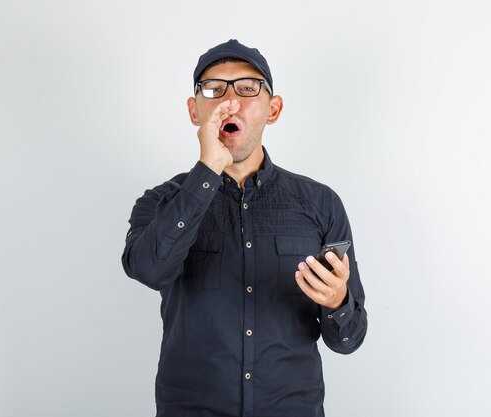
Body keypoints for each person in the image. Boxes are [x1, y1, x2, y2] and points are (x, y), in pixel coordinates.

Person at [121, 39, 367, 417]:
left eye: (247, 88)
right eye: (213, 89)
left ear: (273, 109)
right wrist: (208, 170)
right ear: (194, 110)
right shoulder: (161, 202)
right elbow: (148, 270)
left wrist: (336, 302)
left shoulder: (320, 204)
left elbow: (349, 340)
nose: (229, 102)